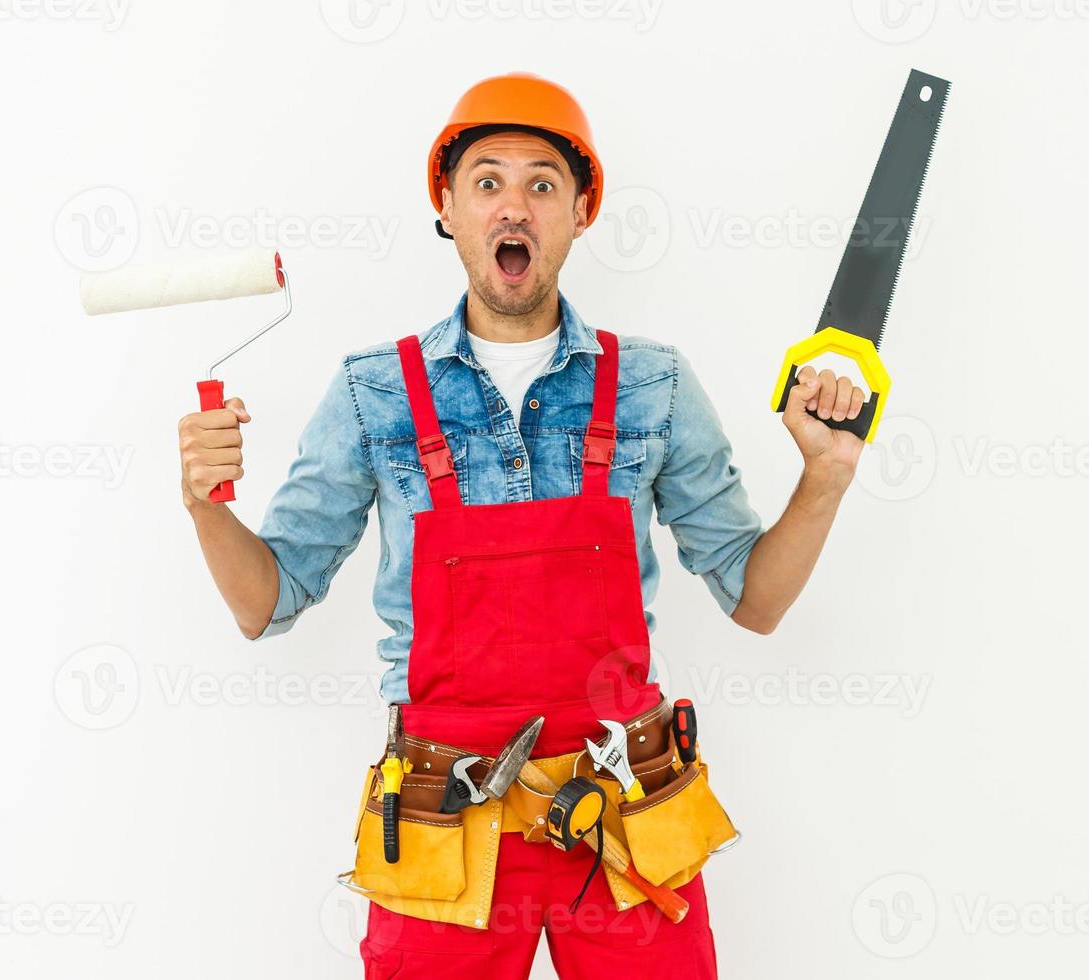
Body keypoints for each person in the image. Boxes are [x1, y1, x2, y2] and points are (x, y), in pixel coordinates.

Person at [177, 72, 869, 979]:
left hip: (622, 809)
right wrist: (203, 502)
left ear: (580, 212)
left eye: (543, 183)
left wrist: (824, 478)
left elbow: (757, 599)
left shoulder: (654, 385)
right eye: (488, 181)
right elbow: (267, 602)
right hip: (441, 817)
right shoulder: (372, 392)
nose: (516, 205)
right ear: (449, 208)